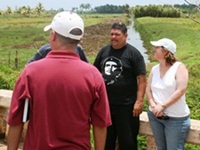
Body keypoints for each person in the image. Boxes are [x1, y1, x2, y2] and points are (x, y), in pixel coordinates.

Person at [7, 11, 111, 150]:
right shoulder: (93, 75)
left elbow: (16, 119)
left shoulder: (30, 72)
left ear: (53, 35)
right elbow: (100, 123)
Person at [93, 22, 146, 150]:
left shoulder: (134, 53)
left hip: (127, 107)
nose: (113, 37)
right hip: (106, 105)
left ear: (126, 35)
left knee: (128, 142)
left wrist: (139, 101)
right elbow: (94, 74)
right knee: (107, 142)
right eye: (111, 34)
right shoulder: (104, 51)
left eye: (117, 34)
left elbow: (142, 80)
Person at [146, 38, 190, 150]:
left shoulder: (179, 68)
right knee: (161, 147)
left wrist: (162, 106)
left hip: (175, 119)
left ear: (165, 51)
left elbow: (181, 90)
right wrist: (153, 105)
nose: (154, 49)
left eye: (157, 47)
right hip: (155, 116)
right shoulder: (155, 69)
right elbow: (148, 90)